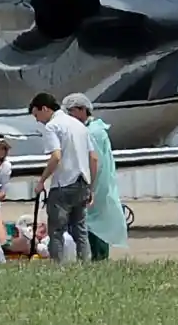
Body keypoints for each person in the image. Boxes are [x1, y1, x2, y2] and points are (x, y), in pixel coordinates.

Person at [29, 92, 98, 263]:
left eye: (37, 115)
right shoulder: (80, 126)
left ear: (45, 108)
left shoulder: (52, 126)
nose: (38, 120)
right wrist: (91, 186)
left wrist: (41, 180)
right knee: (80, 229)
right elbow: (94, 158)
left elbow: (56, 156)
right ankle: (86, 263)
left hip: (63, 183)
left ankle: (57, 266)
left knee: (56, 230)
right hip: (82, 181)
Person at [62, 93, 128, 260]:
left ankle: (98, 259)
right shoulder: (93, 130)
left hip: (95, 185)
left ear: (82, 110)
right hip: (97, 185)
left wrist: (89, 187)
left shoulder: (93, 132)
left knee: (93, 224)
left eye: (71, 112)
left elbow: (94, 162)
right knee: (93, 222)